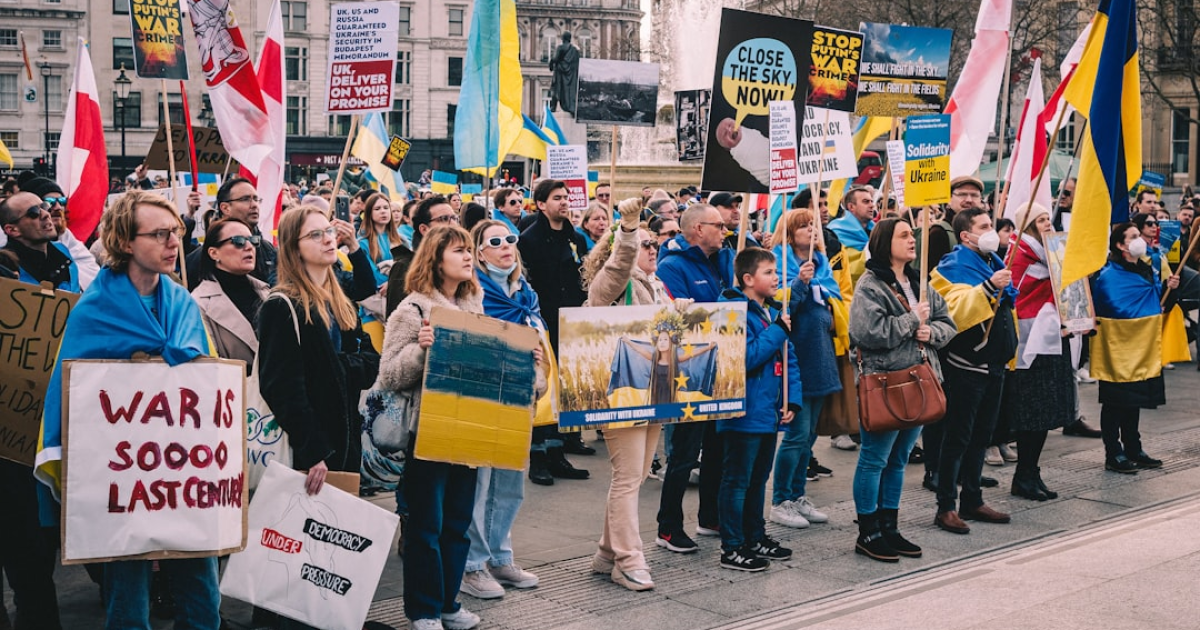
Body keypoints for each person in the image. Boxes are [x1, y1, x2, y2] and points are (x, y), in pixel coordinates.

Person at [36, 190, 219, 629]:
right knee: (127, 601)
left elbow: (209, 390)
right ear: (123, 241)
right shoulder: (95, 310)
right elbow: (71, 396)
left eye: (175, 231)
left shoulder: (183, 305)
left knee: (203, 598)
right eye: (159, 234)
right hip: (121, 482)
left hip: (180, 474)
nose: (174, 242)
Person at [378, 226, 492, 630]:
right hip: (426, 432)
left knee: (459, 523)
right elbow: (389, 374)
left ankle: (448, 603)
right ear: (435, 258)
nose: (468, 257)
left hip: (470, 429)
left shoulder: (475, 306)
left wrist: (524, 360)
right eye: (459, 250)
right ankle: (424, 611)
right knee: (426, 525)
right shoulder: (411, 311)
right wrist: (421, 350)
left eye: (469, 250)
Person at [848, 218, 956, 562]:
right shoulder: (870, 286)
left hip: (919, 381)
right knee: (874, 459)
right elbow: (869, 333)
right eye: (904, 235)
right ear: (885, 242)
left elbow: (946, 323)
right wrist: (912, 320)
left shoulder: (919, 281)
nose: (913, 240)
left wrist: (932, 333)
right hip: (886, 383)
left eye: (912, 235)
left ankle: (889, 526)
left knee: (898, 460)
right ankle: (868, 531)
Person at [581, 198, 674, 590]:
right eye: (646, 245)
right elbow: (622, 261)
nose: (653, 249)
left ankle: (606, 551)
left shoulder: (655, 284)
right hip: (620, 391)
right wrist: (630, 229)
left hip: (652, 388)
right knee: (626, 477)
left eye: (654, 244)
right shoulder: (612, 281)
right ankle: (629, 558)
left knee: (633, 477)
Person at [458, 220, 547, 600]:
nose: (506, 246)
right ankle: (472, 564)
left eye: (511, 238)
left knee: (510, 481)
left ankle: (500, 556)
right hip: (483, 394)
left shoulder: (524, 292)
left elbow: (536, 332)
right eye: (495, 241)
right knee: (480, 484)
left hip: (518, 392)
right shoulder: (473, 292)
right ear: (480, 252)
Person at [928, 207, 1018, 534]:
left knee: (982, 435)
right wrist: (987, 289)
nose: (991, 230)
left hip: (993, 364)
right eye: (984, 226)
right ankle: (946, 506)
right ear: (966, 235)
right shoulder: (951, 267)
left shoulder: (993, 262)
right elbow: (955, 308)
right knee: (958, 438)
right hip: (966, 366)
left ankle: (973, 499)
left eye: (991, 224)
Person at [0, 192, 67, 629]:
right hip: (12, 426)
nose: (47, 214)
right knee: (22, 532)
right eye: (34, 213)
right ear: (11, 228)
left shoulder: (71, 265)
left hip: (55, 419)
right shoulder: (4, 270)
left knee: (44, 536)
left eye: (46, 208)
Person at [654, 203, 733, 552]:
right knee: (685, 454)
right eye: (718, 225)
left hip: (723, 366)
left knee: (718, 448)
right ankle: (668, 526)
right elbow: (679, 318)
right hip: (689, 370)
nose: (725, 230)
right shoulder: (671, 266)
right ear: (698, 229)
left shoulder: (725, 258)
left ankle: (709, 515)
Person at [716, 247, 801, 571]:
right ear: (748, 279)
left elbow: (788, 358)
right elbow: (746, 357)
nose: (776, 277)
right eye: (768, 272)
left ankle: (755, 536)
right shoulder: (733, 310)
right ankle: (732, 546)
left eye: (775, 271)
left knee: (757, 479)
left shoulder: (770, 311)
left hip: (768, 409)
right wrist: (778, 329)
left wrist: (791, 398)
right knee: (737, 480)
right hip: (743, 411)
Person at [769, 210, 840, 529]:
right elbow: (779, 307)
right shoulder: (778, 262)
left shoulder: (823, 265)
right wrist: (800, 283)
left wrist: (822, 290)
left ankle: (797, 495)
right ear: (789, 231)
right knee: (796, 435)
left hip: (821, 355)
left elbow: (837, 301)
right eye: (804, 225)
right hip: (796, 357)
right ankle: (780, 499)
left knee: (810, 436)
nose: (812, 230)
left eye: (814, 225)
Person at [518, 179, 592, 484]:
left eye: (566, 197)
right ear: (541, 204)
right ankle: (537, 458)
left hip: (572, 322)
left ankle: (558, 453)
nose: (564, 202)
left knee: (564, 390)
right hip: (543, 321)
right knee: (543, 390)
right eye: (557, 198)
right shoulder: (528, 240)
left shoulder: (577, 239)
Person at [1001, 203, 1075, 500]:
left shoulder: (1050, 253)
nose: (1047, 223)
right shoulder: (1019, 253)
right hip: (1030, 342)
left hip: (1051, 337)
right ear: (1028, 224)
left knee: (1045, 413)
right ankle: (1024, 474)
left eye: (1048, 218)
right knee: (1032, 413)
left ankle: (1031, 471)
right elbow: (1015, 296)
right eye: (1040, 219)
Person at [1091, 223, 1178, 473]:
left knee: (1133, 401)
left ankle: (1133, 447)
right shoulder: (1109, 275)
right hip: (1117, 348)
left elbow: (1158, 304)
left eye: (1139, 235)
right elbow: (1116, 306)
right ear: (1120, 245)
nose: (1140, 239)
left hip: (1142, 347)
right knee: (1115, 402)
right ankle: (1113, 453)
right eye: (1133, 236)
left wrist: (1168, 289)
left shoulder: (1148, 269)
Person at [191, 218, 269, 370]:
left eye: (253, 240)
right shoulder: (198, 303)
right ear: (214, 253)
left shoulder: (266, 292)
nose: (249, 247)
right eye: (238, 241)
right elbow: (209, 366)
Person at [185, 177, 278, 290]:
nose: (254, 205)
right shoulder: (199, 258)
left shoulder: (268, 249)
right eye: (245, 199)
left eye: (256, 199)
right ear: (225, 208)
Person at [17, 174, 100, 288]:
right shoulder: (9, 256)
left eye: (62, 201)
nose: (58, 207)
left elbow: (94, 282)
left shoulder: (68, 240)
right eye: (49, 202)